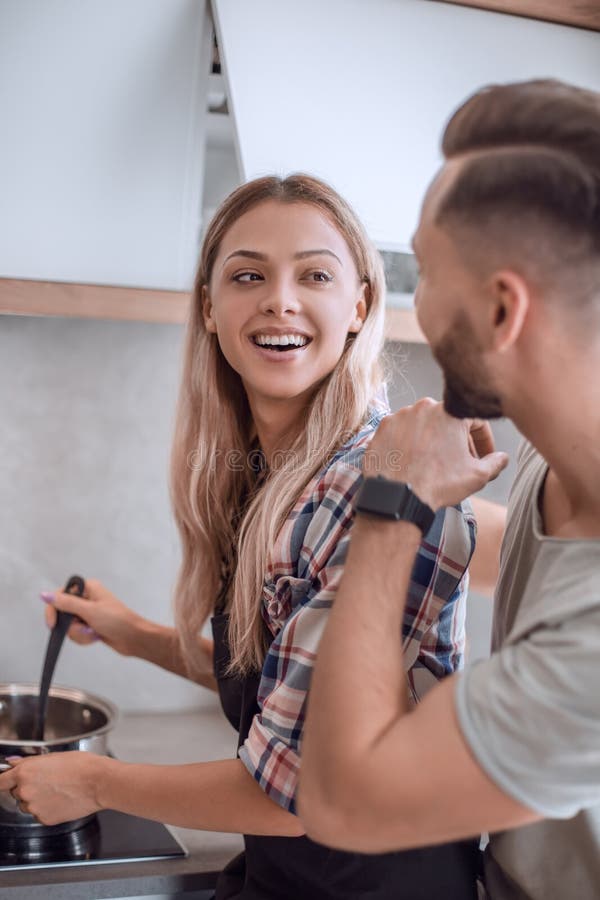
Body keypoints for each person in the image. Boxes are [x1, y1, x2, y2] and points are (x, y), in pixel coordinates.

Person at [0, 174, 480, 899]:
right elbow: (293, 686)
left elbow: (295, 792)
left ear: (360, 306)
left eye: (314, 274)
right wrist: (136, 634)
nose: (280, 299)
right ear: (211, 309)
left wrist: (95, 782)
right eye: (248, 274)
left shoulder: (378, 486)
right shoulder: (268, 477)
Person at [298, 79, 600, 900]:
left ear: (504, 310)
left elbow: (338, 802)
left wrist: (389, 508)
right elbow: (537, 559)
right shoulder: (562, 458)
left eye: (424, 269)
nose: (415, 301)